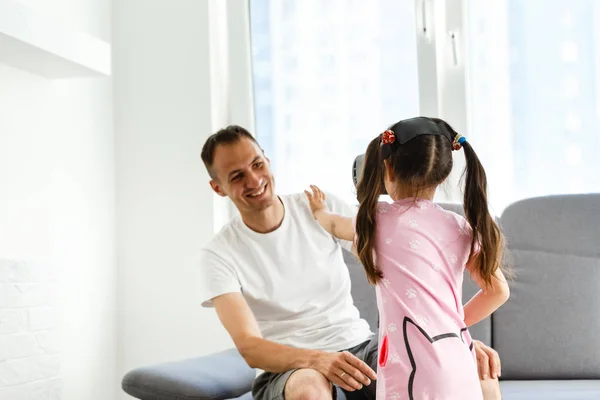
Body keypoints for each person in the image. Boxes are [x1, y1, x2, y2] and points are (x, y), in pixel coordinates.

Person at [199, 124, 504, 400]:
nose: (254, 179)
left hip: (357, 346)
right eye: (237, 176)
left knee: (479, 369)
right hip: (290, 368)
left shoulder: (318, 207)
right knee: (309, 389)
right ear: (218, 187)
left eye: (257, 164)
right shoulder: (220, 253)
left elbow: (407, 264)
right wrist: (316, 359)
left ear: (266, 158)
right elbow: (249, 347)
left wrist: (441, 341)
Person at [305, 116, 511, 399]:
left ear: (386, 167)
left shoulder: (375, 220)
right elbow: (498, 291)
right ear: (442, 174)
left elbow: (333, 224)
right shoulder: (461, 227)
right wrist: (449, 320)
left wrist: (318, 211)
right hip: (458, 360)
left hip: (409, 366)